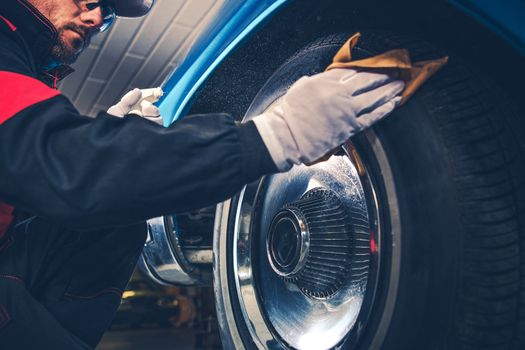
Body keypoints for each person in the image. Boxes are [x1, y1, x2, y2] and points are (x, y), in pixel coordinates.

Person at [0, 0, 404, 348]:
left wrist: (112, 139)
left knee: (114, 218)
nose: (96, 18)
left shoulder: (24, 64)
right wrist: (276, 137)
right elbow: (67, 171)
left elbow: (43, 178)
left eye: (106, 13)